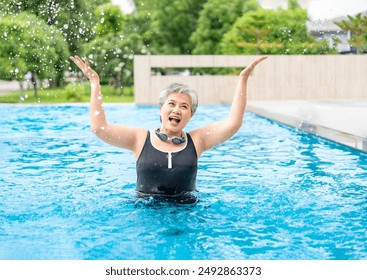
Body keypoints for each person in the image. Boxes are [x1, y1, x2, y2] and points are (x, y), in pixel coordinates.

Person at [70, 55, 267, 203]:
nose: (177, 110)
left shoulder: (197, 141)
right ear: (160, 108)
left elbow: (233, 123)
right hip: (147, 212)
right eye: (171, 104)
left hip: (187, 211)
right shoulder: (140, 139)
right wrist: (95, 83)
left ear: (191, 114)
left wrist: (243, 79)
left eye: (184, 107)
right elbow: (100, 128)